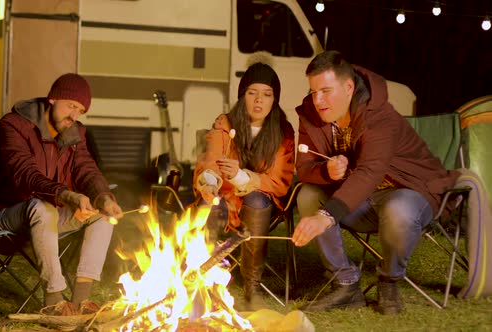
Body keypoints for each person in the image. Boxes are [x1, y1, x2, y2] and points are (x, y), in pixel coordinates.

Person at [291, 50, 459, 314]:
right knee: (308, 195)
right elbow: (303, 169)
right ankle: (345, 284)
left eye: (325, 91)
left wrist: (326, 216)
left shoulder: (378, 116)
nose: (318, 100)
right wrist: (326, 172)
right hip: (360, 202)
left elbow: (370, 171)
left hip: (409, 190)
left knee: (398, 209)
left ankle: (389, 281)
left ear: (348, 87)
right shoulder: (311, 116)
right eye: (314, 92)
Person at [0, 73, 123, 315]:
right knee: (41, 207)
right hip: (5, 214)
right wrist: (67, 195)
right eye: (71, 106)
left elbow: (87, 170)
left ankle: (80, 301)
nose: (74, 116)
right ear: (53, 99)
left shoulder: (74, 134)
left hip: (49, 219)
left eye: (80, 111)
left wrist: (103, 197)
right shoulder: (13, 125)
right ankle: (54, 300)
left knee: (101, 216)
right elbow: (25, 175)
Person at [193, 62, 295, 311]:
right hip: (227, 198)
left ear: (274, 100)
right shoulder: (225, 124)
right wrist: (211, 182)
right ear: (242, 96)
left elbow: (278, 180)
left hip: (263, 200)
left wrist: (241, 177)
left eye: (267, 94)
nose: (259, 101)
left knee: (256, 201)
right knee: (210, 204)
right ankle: (204, 285)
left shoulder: (282, 131)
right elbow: (211, 162)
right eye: (252, 93)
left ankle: (253, 287)